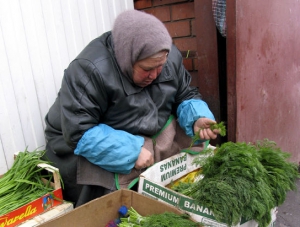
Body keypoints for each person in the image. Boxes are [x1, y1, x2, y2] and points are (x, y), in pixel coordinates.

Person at [43, 9, 220, 207]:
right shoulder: (89, 70)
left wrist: (197, 117)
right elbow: (79, 132)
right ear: (127, 58)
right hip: (78, 138)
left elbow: (184, 95)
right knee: (107, 175)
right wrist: (130, 152)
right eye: (146, 69)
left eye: (160, 66)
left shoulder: (168, 56)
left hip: (138, 125)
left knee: (185, 135)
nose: (155, 75)